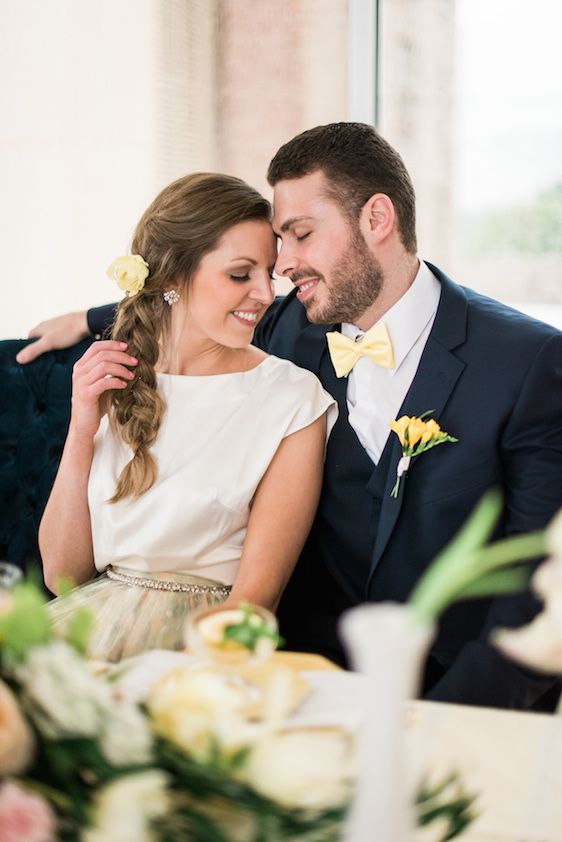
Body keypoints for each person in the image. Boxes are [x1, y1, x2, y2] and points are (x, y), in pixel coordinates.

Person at [21, 124, 562, 708]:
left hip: (448, 693)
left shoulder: (525, 361)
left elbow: (540, 582)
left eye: (300, 235)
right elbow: (188, 297)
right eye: (280, 243)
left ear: (377, 219)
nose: (283, 267)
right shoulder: (292, 326)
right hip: (298, 682)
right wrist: (87, 319)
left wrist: (454, 719)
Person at [38, 172, 336, 661]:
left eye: (270, 273)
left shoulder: (292, 400)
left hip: (203, 652)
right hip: (82, 638)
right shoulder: (115, 378)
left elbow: (256, 603)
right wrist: (81, 428)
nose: (264, 293)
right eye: (241, 274)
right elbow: (63, 577)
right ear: (174, 278)